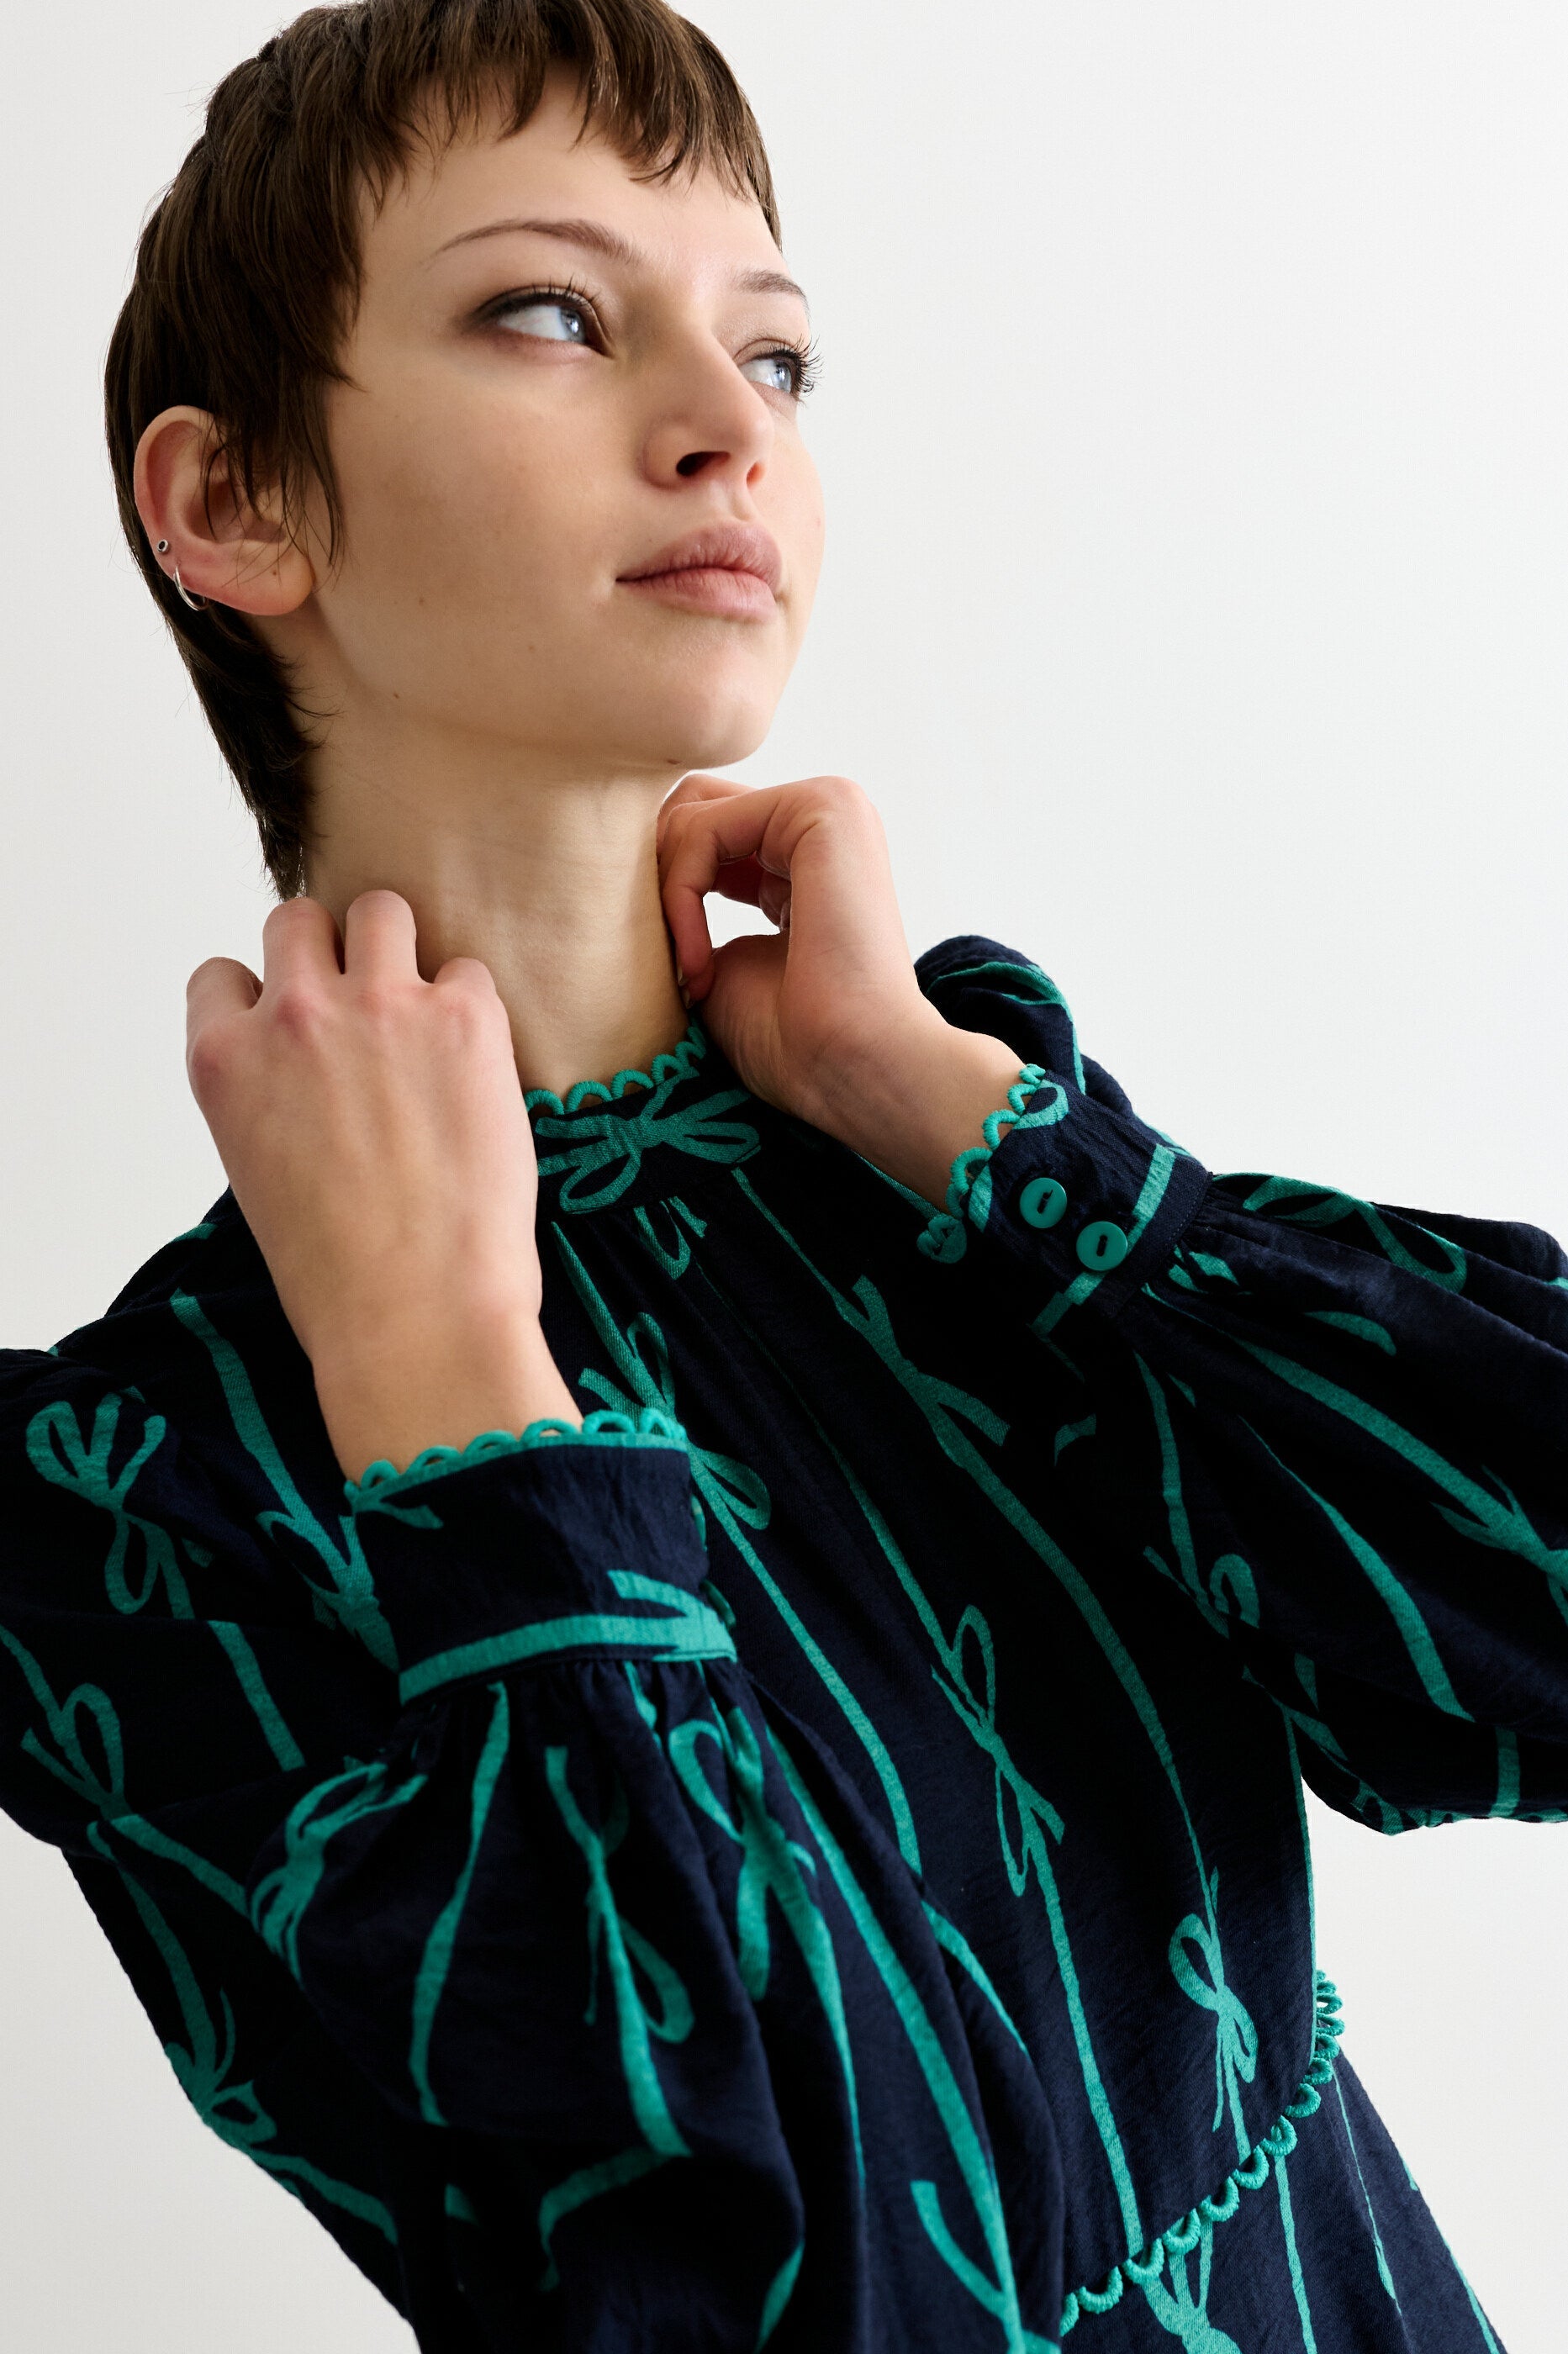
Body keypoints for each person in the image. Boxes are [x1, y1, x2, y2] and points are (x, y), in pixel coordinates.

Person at [3, 0, 1560, 2344]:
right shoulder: (150, 1497)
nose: (726, 425)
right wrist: (450, 1387)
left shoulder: (945, 1172)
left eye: (779, 353)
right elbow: (732, 2264)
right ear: (233, 502)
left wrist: (989, 1143)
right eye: (552, 313)